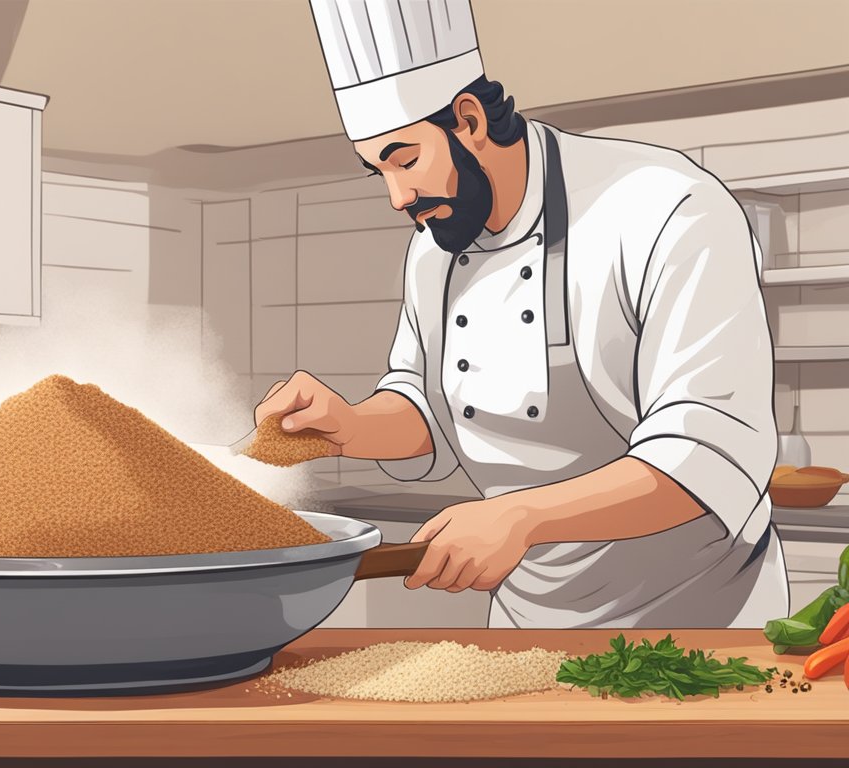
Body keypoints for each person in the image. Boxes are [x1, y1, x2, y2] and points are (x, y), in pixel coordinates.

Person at [254, 0, 789, 628]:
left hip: (696, 619)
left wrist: (521, 516)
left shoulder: (666, 209)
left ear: (470, 119)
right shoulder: (435, 249)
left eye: (405, 160)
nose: (398, 196)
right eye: (379, 170)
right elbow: (428, 407)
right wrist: (349, 425)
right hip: (526, 618)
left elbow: (706, 451)